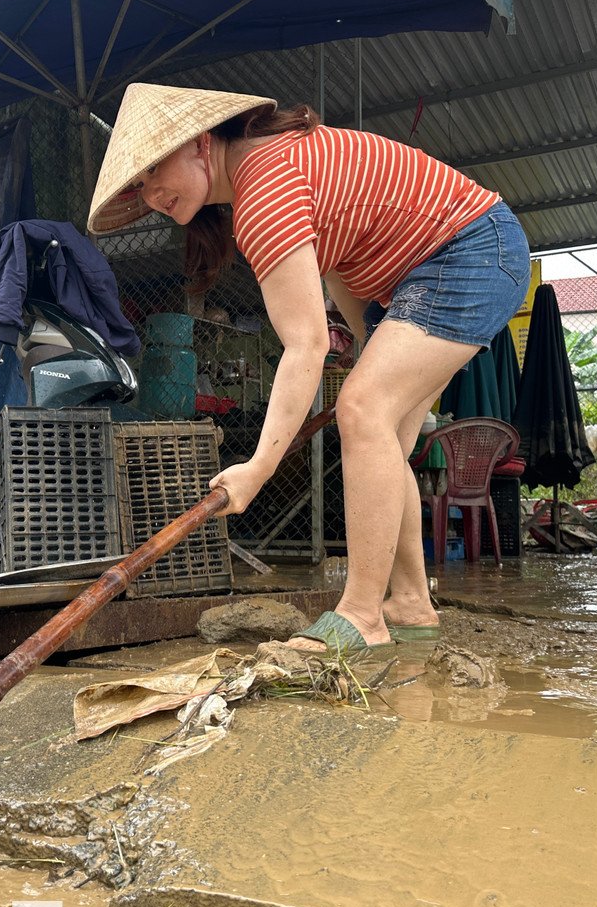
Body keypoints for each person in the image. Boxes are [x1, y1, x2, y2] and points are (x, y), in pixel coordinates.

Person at [87, 83, 530, 652]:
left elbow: (305, 346)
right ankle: (412, 602)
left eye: (153, 169)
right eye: (138, 185)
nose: (150, 194)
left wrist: (257, 468)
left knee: (362, 407)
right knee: (382, 426)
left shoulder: (264, 190)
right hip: (454, 257)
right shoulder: (275, 166)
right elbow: (344, 264)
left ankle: (363, 614)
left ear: (199, 143)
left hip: (467, 251)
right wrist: (373, 349)